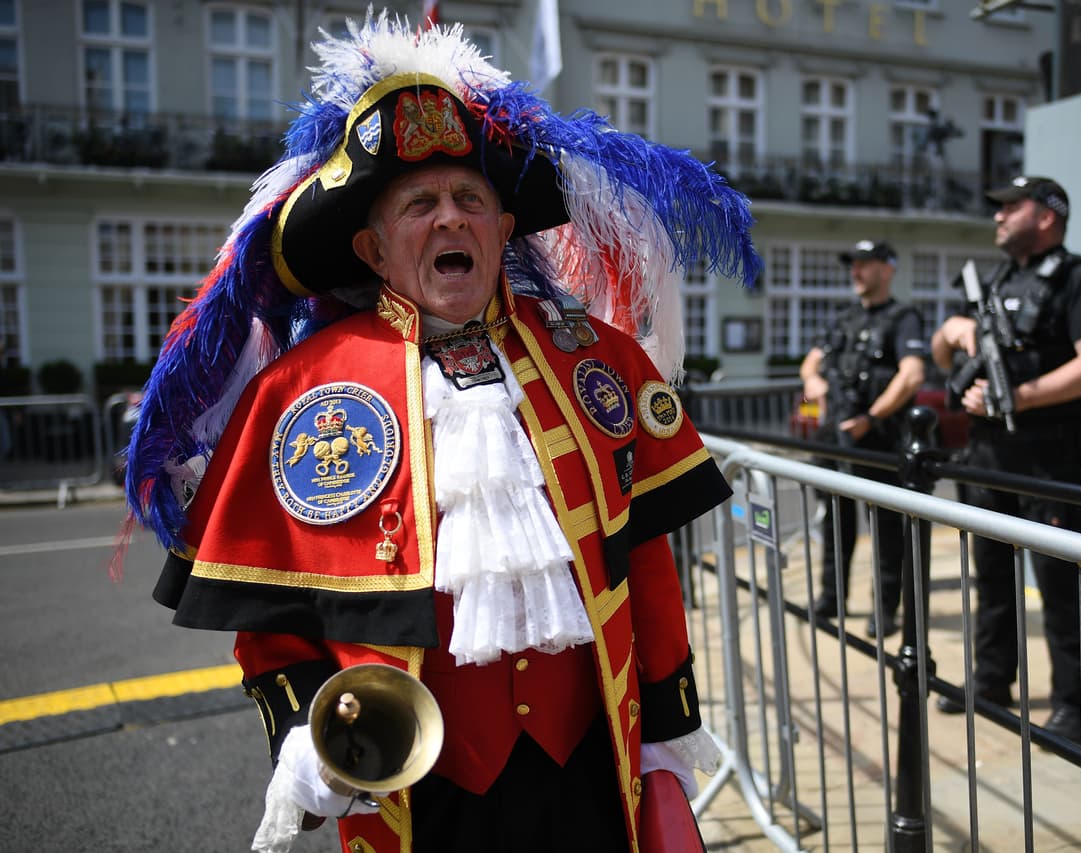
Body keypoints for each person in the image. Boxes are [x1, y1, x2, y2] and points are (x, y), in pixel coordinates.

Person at [120, 15, 759, 853]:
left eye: (471, 201)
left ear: (503, 231)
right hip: (416, 786)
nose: (450, 219)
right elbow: (271, 610)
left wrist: (667, 724)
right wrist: (301, 735)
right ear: (373, 248)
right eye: (419, 204)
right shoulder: (301, 391)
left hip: (594, 758)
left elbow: (642, 558)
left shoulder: (596, 360)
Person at [930, 175, 1081, 741]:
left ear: (1047, 214)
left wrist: (1020, 397)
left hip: (1051, 463)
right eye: (999, 208)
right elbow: (943, 359)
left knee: (1058, 590)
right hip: (988, 458)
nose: (999, 217)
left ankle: (1072, 708)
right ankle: (990, 684)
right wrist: (952, 330)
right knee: (990, 582)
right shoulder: (996, 281)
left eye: (1012, 206)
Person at [799, 240, 927, 635]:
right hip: (833, 437)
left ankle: (885, 610)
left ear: (888, 269)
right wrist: (815, 382)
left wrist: (872, 417)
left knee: (886, 529)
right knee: (835, 521)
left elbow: (912, 375)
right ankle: (831, 598)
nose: (856, 271)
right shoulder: (843, 318)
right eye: (853, 264)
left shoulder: (903, 317)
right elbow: (810, 365)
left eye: (865, 264)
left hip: (878, 440)